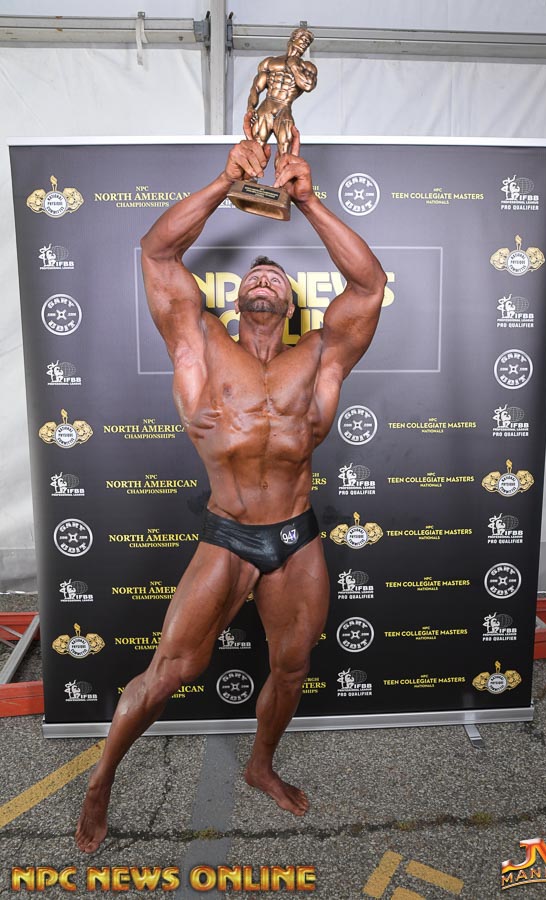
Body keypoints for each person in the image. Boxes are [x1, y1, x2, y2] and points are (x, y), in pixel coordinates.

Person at [75, 124, 387, 853]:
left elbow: (370, 285)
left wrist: (308, 202)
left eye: (277, 277)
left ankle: (260, 765)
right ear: (237, 298)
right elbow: (157, 252)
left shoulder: (322, 358)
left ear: (293, 302)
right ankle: (101, 781)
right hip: (227, 532)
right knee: (172, 669)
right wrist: (225, 184)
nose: (264, 278)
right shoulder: (200, 345)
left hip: (296, 535)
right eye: (253, 276)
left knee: (292, 666)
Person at [247, 27, 317, 156]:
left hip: (284, 108)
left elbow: (308, 85)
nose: (305, 44)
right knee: (255, 147)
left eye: (307, 42)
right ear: (293, 39)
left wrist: (294, 66)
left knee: (285, 151)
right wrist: (250, 107)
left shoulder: (307, 67)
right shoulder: (270, 62)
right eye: (303, 39)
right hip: (266, 106)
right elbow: (256, 88)